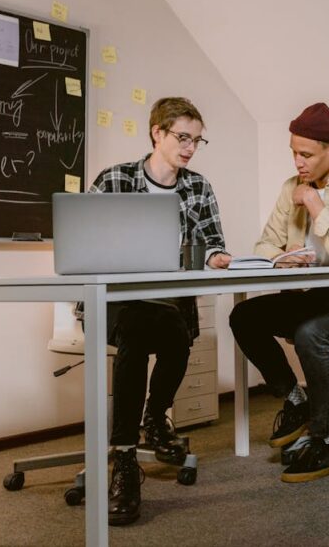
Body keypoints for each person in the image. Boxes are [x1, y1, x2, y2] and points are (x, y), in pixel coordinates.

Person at [87, 96, 231, 525]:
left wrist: (217, 256)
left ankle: (154, 415)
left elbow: (212, 239)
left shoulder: (198, 186)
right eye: (182, 137)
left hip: (170, 302)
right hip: (116, 301)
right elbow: (84, 241)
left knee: (175, 335)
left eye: (197, 140)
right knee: (137, 331)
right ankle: (126, 458)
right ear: (157, 133)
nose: (189, 147)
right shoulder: (114, 179)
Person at [229, 102, 329, 483]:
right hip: (312, 295)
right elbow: (265, 242)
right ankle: (294, 400)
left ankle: (328, 440)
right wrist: (281, 258)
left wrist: (316, 204)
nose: (298, 163)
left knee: (310, 334)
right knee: (243, 316)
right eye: (293, 153)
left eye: (306, 154)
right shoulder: (290, 187)